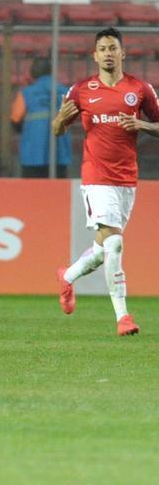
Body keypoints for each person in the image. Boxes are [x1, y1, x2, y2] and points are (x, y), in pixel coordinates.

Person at [53, 27, 159, 336]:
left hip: (126, 180)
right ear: (95, 55)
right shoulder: (82, 90)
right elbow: (58, 129)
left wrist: (141, 124)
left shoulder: (140, 89)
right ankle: (123, 317)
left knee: (103, 251)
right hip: (96, 177)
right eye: (102, 48)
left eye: (113, 47)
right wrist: (60, 120)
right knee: (114, 243)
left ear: (123, 53)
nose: (108, 53)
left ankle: (68, 275)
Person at [12, 58, 71, 177]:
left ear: (33, 73)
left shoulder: (26, 93)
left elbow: (15, 119)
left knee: (32, 192)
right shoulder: (66, 91)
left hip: (32, 153)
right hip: (59, 152)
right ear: (51, 71)